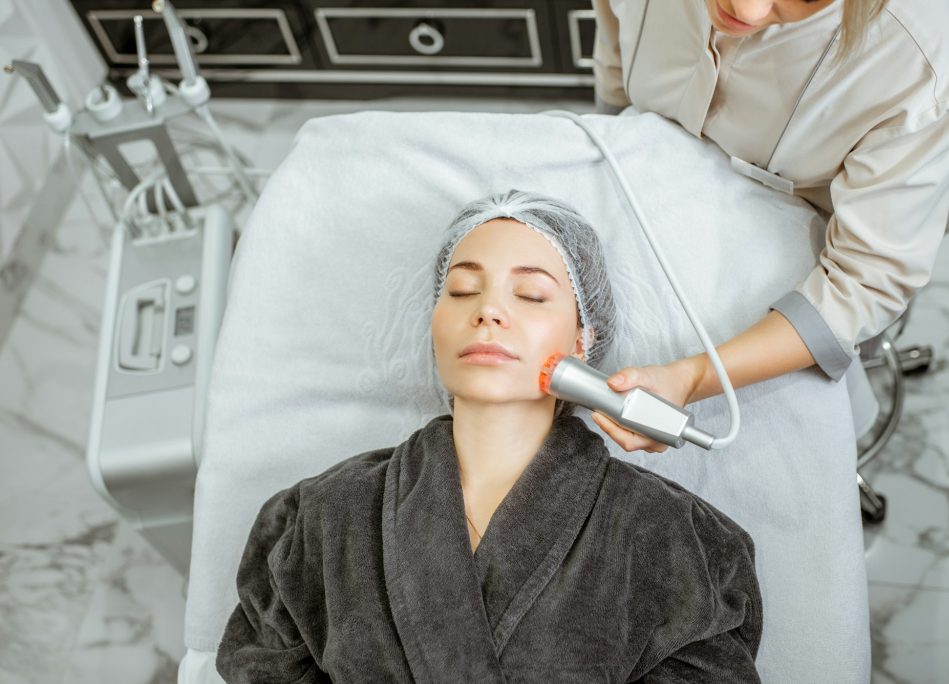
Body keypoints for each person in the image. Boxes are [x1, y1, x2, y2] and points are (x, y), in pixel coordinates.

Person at [215, 190, 764, 682]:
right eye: (462, 290)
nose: (488, 311)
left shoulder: (677, 539)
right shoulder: (318, 519)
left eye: (529, 294)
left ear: (583, 338)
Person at [589, 0, 949, 453]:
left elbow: (863, 284)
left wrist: (693, 378)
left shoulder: (911, 58)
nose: (745, 12)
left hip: (796, 275)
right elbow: (615, 63)